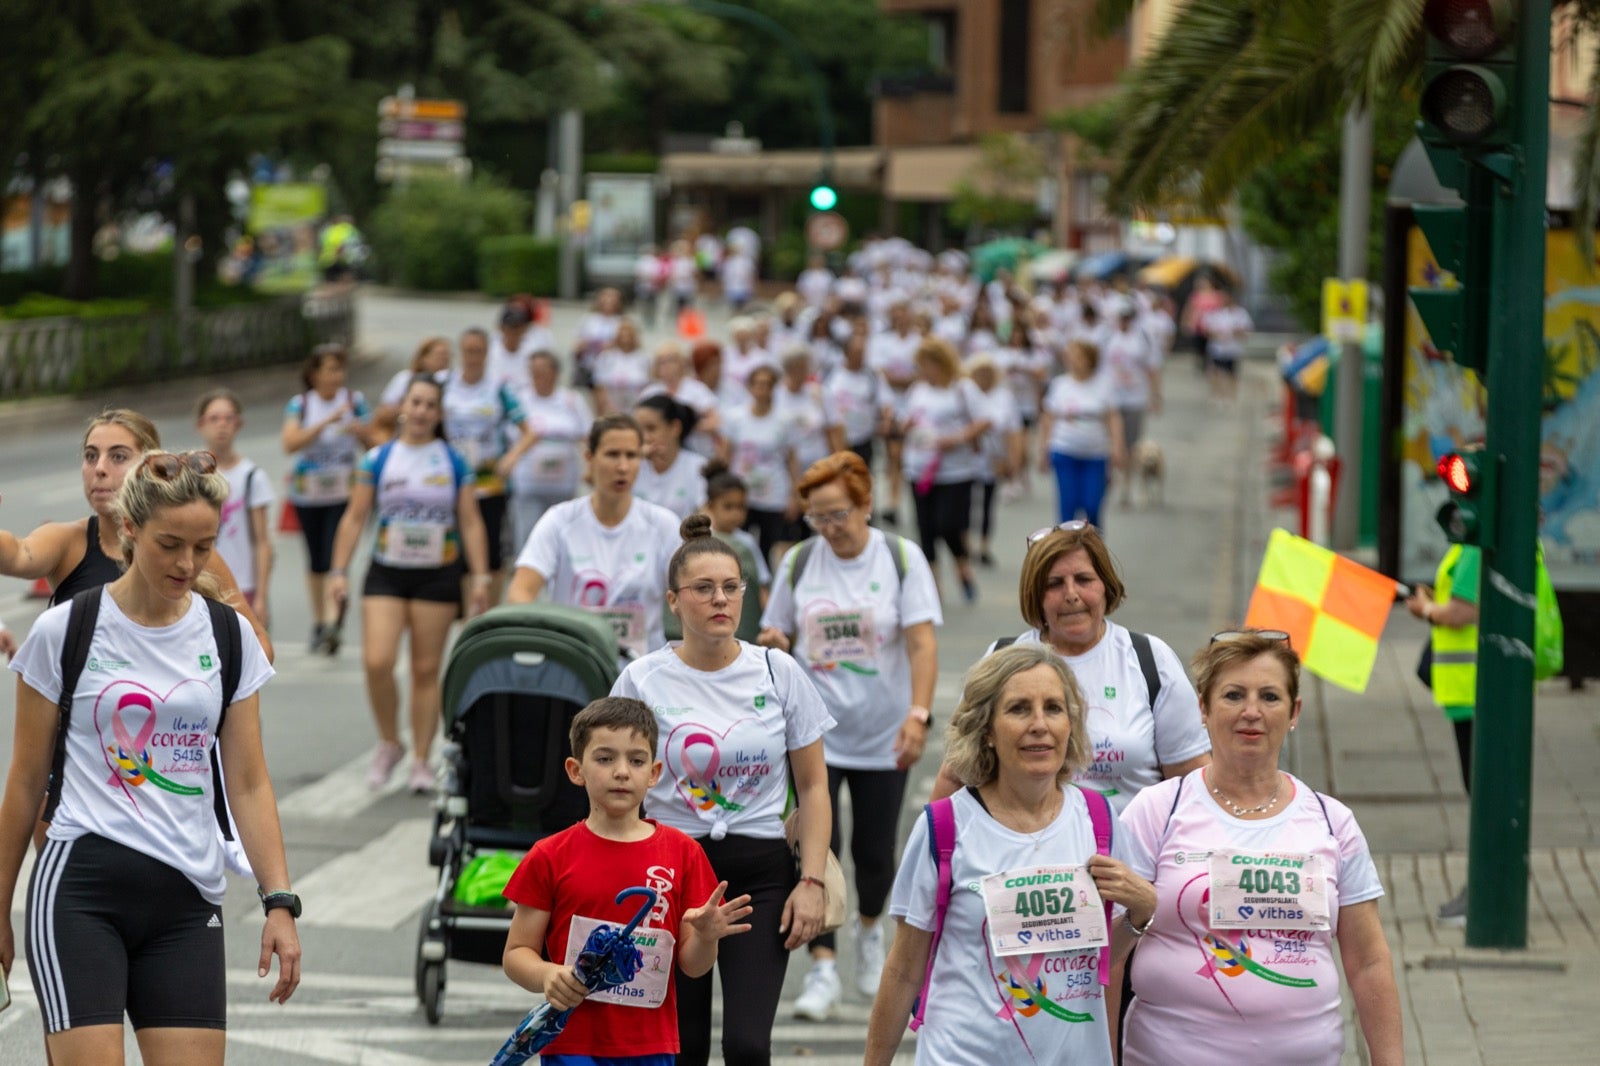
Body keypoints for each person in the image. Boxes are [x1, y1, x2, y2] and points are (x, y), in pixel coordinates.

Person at [0, 450, 301, 1064]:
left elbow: (247, 782)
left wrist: (280, 902)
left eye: (204, 546)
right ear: (130, 529)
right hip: (80, 892)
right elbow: (26, 781)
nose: (188, 564)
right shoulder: (66, 630)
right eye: (170, 544)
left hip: (186, 902)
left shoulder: (228, 635)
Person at [1116, 630, 1402, 1065]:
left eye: (1269, 697)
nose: (1251, 712)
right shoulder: (1156, 812)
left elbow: (1367, 962)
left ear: (1294, 712)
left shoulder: (1332, 821)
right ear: (1203, 709)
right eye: (1233, 695)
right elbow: (1105, 958)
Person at [863, 643, 1157, 1065]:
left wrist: (1141, 914)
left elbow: (1104, 962)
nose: (1040, 725)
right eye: (1019, 709)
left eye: (1053, 708)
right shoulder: (945, 827)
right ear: (986, 729)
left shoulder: (1099, 819)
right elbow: (904, 969)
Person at [612, 513, 834, 1066]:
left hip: (758, 877)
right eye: (704, 588)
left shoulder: (778, 672)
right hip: (670, 877)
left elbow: (813, 786)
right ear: (674, 600)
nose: (720, 600)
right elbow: (615, 786)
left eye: (731, 587)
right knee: (680, 1049)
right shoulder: (641, 679)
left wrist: (810, 881)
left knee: (746, 1045)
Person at [758, 452, 941, 1019]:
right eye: (817, 517)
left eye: (838, 514)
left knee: (875, 851)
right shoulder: (801, 562)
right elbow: (776, 629)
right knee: (817, 847)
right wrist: (774, 638)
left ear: (865, 505)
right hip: (815, 732)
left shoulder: (901, 559)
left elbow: (920, 644)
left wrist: (918, 714)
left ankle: (868, 931)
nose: (830, 528)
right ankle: (823, 966)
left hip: (884, 734)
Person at [500, 697, 753, 1063]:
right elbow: (516, 954)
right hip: (571, 1044)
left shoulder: (683, 854)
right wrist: (547, 975)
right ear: (576, 769)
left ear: (653, 773)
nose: (621, 772)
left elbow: (694, 966)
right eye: (605, 759)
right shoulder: (549, 855)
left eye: (636, 761)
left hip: (650, 1047)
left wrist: (706, 936)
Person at [328, 375, 492, 793]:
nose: (420, 411)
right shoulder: (379, 459)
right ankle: (390, 741)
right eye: (415, 402)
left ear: (438, 414)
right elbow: (354, 517)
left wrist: (480, 577)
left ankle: (421, 757)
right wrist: (338, 570)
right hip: (387, 570)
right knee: (377, 661)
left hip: (438, 572)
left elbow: (471, 521)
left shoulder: (454, 461)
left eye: (429, 405)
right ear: (403, 407)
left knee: (425, 669)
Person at [0, 409, 269, 657]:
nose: (100, 468)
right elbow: (17, 555)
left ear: (148, 467)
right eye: (91, 456)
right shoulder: (68, 541)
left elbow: (258, 645)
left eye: (118, 456)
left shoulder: (188, 556)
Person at [507, 413, 682, 666]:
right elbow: (519, 592)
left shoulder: (663, 524)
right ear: (589, 458)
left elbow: (688, 594)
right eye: (612, 454)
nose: (623, 466)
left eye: (632, 456)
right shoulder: (559, 521)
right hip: (575, 667)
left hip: (644, 671)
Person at [281, 343, 374, 655]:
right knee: (316, 560)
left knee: (338, 556)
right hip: (308, 494)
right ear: (314, 374)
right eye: (330, 369)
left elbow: (376, 442)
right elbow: (290, 443)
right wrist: (325, 423)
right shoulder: (301, 405)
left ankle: (334, 622)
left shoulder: (354, 401)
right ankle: (319, 621)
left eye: (340, 369)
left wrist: (360, 430)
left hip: (344, 493)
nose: (336, 376)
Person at [1404, 543, 1480, 924]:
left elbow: (1465, 611)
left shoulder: (1477, 546)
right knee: (1484, 790)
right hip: (1479, 690)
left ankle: (1485, 890)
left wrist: (1428, 610)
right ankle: (1488, 882)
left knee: (1483, 793)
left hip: (1476, 690)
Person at [443, 327, 537, 600]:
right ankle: (466, 618)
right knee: (459, 552)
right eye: (468, 351)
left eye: (479, 351)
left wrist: (512, 456)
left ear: (487, 353)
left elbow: (529, 432)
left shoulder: (499, 387)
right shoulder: (446, 384)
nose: (473, 357)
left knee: (492, 552)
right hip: (454, 482)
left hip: (490, 484)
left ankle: (489, 612)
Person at [900, 337, 991, 602]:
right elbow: (907, 417)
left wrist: (957, 438)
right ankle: (932, 589)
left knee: (948, 525)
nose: (924, 372)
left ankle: (963, 568)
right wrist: (904, 426)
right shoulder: (918, 390)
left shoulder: (962, 387)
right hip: (919, 467)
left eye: (928, 365)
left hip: (955, 470)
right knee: (925, 529)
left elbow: (986, 419)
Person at [195, 389, 275, 629]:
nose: (222, 425)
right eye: (214, 419)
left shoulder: (252, 477)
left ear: (238, 424)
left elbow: (262, 541)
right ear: (200, 425)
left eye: (228, 419)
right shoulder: (190, 475)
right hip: (201, 584)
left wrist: (261, 596)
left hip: (243, 587)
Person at [508, 350, 592, 552]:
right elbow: (511, 436)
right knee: (528, 540)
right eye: (533, 372)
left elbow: (588, 435)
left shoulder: (572, 400)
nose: (537, 377)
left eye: (542, 371)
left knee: (562, 542)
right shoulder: (520, 400)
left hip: (563, 486)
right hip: (529, 485)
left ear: (555, 373)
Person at [721, 364, 801, 567]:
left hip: (773, 494)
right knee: (738, 546)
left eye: (767, 384)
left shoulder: (784, 420)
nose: (762, 389)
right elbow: (726, 454)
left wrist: (795, 494)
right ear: (749, 387)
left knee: (768, 548)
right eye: (757, 384)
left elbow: (791, 458)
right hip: (742, 494)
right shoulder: (736, 417)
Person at [1039, 339, 1124, 529]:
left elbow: (1113, 418)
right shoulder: (1060, 384)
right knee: (1068, 505)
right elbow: (1048, 418)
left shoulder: (1103, 385)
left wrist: (1117, 447)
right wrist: (1044, 449)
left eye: (1078, 357)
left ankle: (1093, 550)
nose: (1073, 361)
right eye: (1070, 357)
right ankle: (1065, 551)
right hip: (1064, 449)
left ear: (1089, 359)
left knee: (1092, 504)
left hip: (1095, 452)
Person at [1101, 296, 1163, 506]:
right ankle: (1114, 479)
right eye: (1122, 317)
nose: (1125, 321)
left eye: (1128, 317)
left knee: (1132, 446)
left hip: (1135, 398)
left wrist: (1156, 396)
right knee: (1111, 443)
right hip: (1112, 399)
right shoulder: (1109, 337)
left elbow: (1152, 369)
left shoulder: (1143, 338)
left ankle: (1127, 487)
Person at [822, 329, 893, 470]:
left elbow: (885, 400)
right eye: (857, 353)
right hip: (839, 439)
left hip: (864, 439)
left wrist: (886, 419)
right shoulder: (832, 375)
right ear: (846, 353)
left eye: (862, 352)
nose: (860, 356)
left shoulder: (872, 375)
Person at [634, 394, 708, 520]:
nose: (644, 437)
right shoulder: (631, 465)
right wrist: (634, 457)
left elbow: (706, 514)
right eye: (638, 429)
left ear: (675, 428)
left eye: (651, 428)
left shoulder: (698, 467)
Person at [376, 335, 453, 425]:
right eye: (440, 355)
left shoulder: (452, 382)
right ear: (424, 358)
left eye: (447, 355)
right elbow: (383, 412)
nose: (445, 359)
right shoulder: (405, 378)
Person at [1200, 286, 1252, 402]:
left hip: (1232, 349)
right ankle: (1217, 394)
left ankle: (1231, 396)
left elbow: (1247, 331)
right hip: (1217, 348)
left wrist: (1237, 332)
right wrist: (1216, 334)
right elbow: (1206, 330)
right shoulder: (1215, 313)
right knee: (1215, 372)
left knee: (1232, 374)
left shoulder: (1240, 313)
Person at [592, 317, 652, 417]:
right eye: (623, 335)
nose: (625, 339)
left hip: (637, 409)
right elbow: (599, 387)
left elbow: (649, 387)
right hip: (611, 410)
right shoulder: (606, 357)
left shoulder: (645, 358)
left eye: (629, 335)